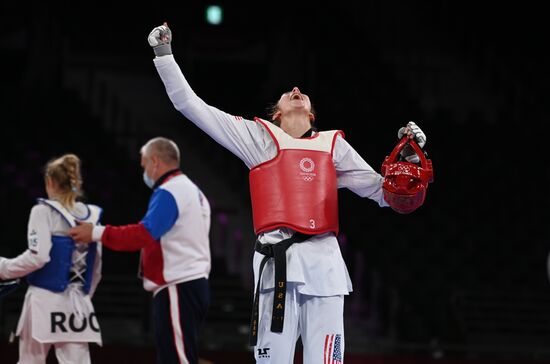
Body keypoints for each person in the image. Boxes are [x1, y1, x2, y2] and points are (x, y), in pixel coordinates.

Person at [148, 23, 428, 364]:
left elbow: (387, 195)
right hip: (275, 261)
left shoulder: (333, 146)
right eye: (288, 91)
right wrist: (164, 56)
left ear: (310, 114)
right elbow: (190, 106)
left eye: (301, 92)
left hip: (325, 264)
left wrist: (408, 162)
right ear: (277, 113)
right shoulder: (258, 138)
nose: (296, 88)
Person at [69, 137, 211, 364]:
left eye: (144, 164)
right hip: (188, 282)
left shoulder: (171, 190)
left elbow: (142, 235)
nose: (144, 171)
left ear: (155, 161)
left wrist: (96, 233)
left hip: (178, 283)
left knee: (176, 359)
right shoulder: (192, 190)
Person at [0, 153, 103, 364]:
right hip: (77, 303)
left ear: (50, 182)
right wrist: (85, 297)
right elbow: (97, 268)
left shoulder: (42, 211)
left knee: (31, 361)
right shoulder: (93, 216)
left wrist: (3, 268)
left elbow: (38, 258)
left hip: (44, 299)